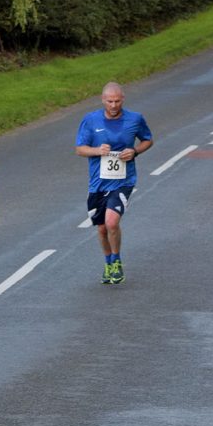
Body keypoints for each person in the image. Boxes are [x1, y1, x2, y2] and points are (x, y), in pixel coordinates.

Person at [75, 82, 153, 284]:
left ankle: (117, 262)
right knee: (102, 229)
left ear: (123, 99)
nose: (113, 105)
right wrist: (97, 151)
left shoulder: (135, 119)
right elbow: (80, 149)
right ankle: (108, 262)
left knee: (111, 222)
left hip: (123, 181)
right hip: (98, 183)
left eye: (117, 101)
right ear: (103, 100)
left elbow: (147, 140)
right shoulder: (90, 120)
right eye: (109, 101)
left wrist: (135, 151)